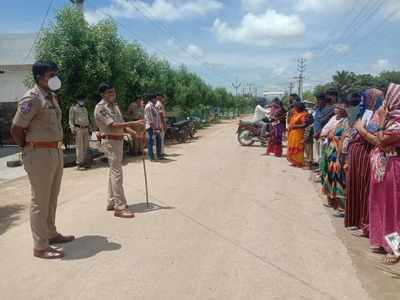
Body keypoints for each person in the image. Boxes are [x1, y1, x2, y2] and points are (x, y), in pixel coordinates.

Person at [10, 60, 74, 259]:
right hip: (38, 154)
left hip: (54, 151)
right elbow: (16, 128)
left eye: (56, 74)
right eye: (51, 74)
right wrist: (28, 147)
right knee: (40, 199)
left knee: (52, 197)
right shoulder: (32, 98)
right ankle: (40, 246)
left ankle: (50, 233)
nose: (55, 78)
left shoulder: (52, 97)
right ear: (39, 77)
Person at [94, 82, 143, 218]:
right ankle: (120, 207)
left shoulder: (114, 106)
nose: (113, 95)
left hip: (119, 140)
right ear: (103, 94)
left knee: (113, 172)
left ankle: (112, 202)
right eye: (109, 92)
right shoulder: (101, 108)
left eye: (114, 92)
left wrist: (133, 132)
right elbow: (114, 125)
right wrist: (133, 123)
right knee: (117, 173)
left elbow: (121, 124)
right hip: (110, 141)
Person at [366, 83, 400, 265]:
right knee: (381, 204)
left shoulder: (397, 120)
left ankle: (396, 248)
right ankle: (382, 239)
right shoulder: (389, 118)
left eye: (388, 97)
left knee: (395, 209)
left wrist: (381, 122)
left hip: (395, 166)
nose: (385, 101)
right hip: (384, 165)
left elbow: (380, 140)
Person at [345, 89, 384, 236]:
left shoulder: (379, 116)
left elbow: (377, 140)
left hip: (367, 156)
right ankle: (357, 221)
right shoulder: (365, 113)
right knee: (356, 187)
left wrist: (361, 131)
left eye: (367, 98)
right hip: (357, 155)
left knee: (366, 190)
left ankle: (366, 225)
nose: (364, 100)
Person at [320, 102, 347, 209]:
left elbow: (341, 135)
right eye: (335, 107)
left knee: (337, 176)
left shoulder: (346, 121)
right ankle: (331, 199)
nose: (336, 109)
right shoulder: (334, 118)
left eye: (339, 108)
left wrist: (333, 135)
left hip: (337, 152)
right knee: (326, 172)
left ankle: (338, 202)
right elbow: (329, 130)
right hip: (329, 149)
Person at [313, 92, 335, 172]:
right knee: (319, 153)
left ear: (323, 100)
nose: (316, 102)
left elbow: (323, 121)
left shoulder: (329, 109)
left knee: (323, 153)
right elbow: (316, 120)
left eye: (318, 100)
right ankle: (320, 168)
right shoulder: (318, 109)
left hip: (323, 135)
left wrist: (318, 133)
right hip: (317, 134)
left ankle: (323, 170)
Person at [69, 96, 90, 170]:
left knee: (85, 146)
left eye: (83, 99)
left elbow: (87, 118)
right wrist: (72, 129)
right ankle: (79, 163)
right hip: (78, 128)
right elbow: (71, 119)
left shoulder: (85, 108)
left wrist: (89, 128)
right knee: (79, 146)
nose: (82, 101)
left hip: (86, 128)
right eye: (80, 99)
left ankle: (84, 162)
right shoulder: (73, 108)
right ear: (77, 100)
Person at [287, 102, 308, 167]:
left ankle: (299, 162)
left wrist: (295, 126)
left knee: (298, 146)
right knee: (292, 146)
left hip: (298, 133)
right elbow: (289, 121)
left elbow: (304, 124)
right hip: (292, 133)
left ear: (299, 107)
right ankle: (294, 161)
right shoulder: (295, 113)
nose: (294, 108)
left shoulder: (303, 114)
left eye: (295, 107)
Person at [144, 94, 163, 161]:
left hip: (156, 127)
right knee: (150, 142)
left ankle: (158, 155)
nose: (156, 100)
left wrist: (159, 126)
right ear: (152, 99)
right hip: (151, 127)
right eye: (155, 99)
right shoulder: (148, 106)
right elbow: (149, 119)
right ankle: (151, 157)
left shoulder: (154, 106)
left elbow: (157, 118)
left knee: (158, 141)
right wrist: (154, 128)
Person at [155, 94, 167, 158]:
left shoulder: (158, 104)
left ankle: (161, 152)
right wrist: (164, 124)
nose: (164, 99)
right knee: (161, 139)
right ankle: (161, 153)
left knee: (160, 139)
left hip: (158, 123)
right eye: (163, 98)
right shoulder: (159, 104)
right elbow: (161, 115)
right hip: (160, 124)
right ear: (160, 97)